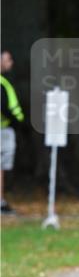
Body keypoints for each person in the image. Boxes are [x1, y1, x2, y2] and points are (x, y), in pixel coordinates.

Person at [1, 50, 25, 215]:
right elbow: (3, 107)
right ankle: (1, 203)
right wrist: (16, 122)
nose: (11, 63)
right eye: (8, 59)